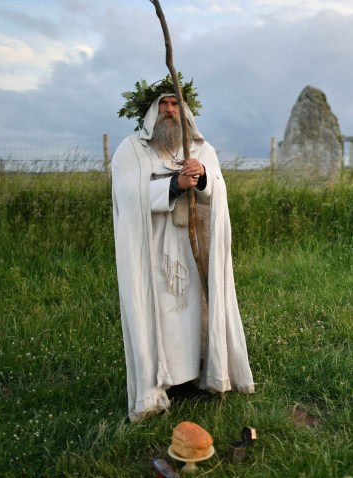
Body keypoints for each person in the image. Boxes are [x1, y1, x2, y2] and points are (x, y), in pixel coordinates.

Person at [111, 83, 255, 422]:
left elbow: (218, 189)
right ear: (151, 112)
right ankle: (161, 379)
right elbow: (126, 193)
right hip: (153, 249)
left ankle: (200, 373)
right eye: (164, 105)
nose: (170, 110)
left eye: (176, 104)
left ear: (185, 110)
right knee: (161, 309)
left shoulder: (202, 149)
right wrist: (174, 185)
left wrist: (202, 176)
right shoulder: (132, 149)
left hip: (195, 248)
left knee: (195, 308)